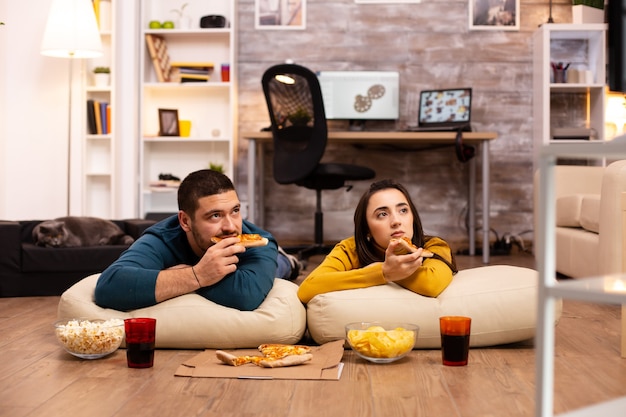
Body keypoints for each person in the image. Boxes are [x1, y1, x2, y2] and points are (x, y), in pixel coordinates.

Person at [95, 169, 300, 312]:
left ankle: (289, 260)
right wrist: (197, 275)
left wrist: (175, 277)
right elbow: (109, 287)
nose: (230, 226)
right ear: (185, 221)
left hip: (274, 261)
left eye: (235, 211)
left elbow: (246, 296)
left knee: (280, 268)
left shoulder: (259, 240)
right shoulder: (161, 238)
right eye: (215, 216)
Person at [297, 179, 457, 304]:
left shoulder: (435, 246)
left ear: (413, 216)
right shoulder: (349, 249)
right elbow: (308, 288)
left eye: (403, 210)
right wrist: (382, 272)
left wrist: (391, 272)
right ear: (366, 227)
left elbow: (432, 284)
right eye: (382, 214)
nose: (396, 221)